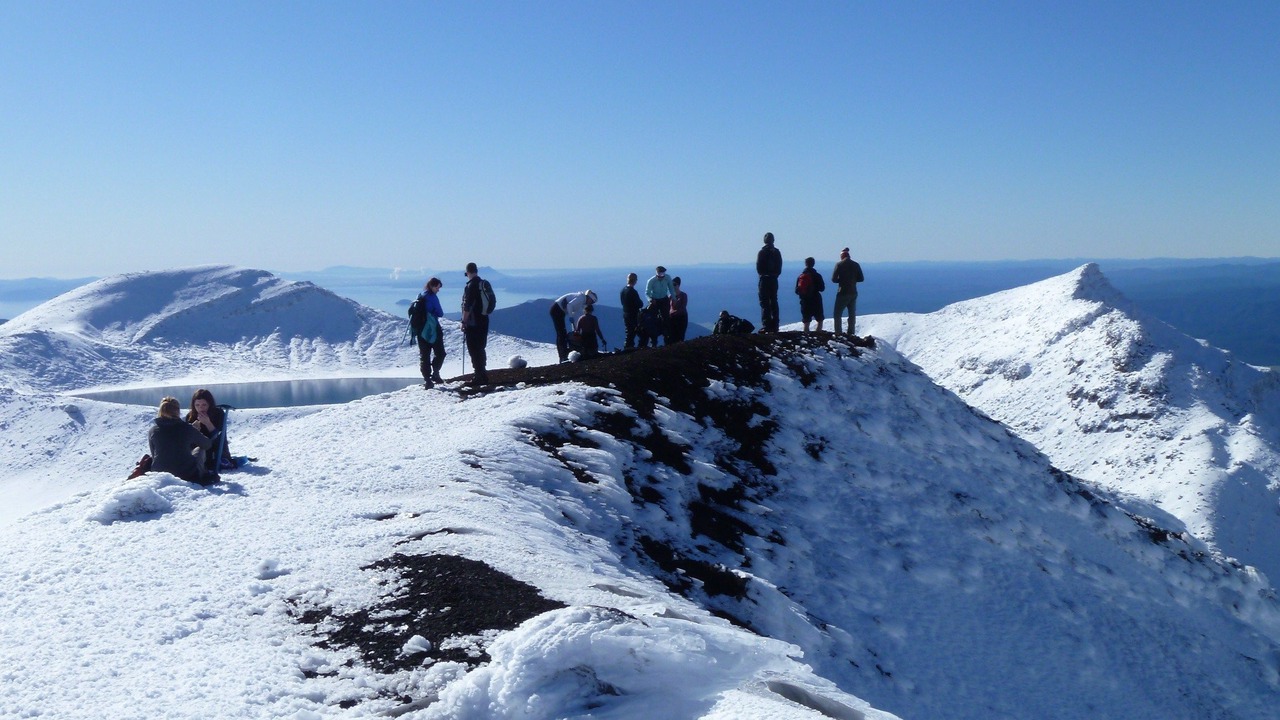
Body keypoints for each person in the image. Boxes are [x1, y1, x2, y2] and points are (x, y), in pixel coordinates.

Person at [151, 396, 214, 484]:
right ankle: (203, 473)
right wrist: (195, 430)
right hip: (186, 474)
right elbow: (207, 444)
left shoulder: (153, 430)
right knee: (200, 449)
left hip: (160, 475)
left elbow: (153, 454)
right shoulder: (187, 428)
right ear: (177, 411)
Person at [185, 388, 234, 471]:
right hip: (199, 452)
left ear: (209, 404)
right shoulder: (190, 416)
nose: (201, 408)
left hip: (217, 452)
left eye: (204, 405)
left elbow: (221, 440)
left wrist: (208, 424)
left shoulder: (218, 414)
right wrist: (192, 431)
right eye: (197, 405)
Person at [414, 278, 447, 387]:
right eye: (437, 287)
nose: (438, 290)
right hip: (433, 328)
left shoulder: (421, 295)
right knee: (440, 353)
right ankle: (436, 373)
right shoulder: (432, 297)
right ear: (432, 286)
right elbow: (440, 313)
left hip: (420, 330)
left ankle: (427, 379)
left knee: (424, 355)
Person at [461, 262, 490, 386]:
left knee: (473, 349)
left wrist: (464, 321)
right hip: (484, 320)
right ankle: (482, 373)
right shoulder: (482, 283)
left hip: (473, 323)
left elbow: (467, 306)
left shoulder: (471, 286)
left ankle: (478, 375)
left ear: (467, 272)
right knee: (480, 347)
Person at [550, 289, 598, 362]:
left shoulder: (581, 300)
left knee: (562, 333)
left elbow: (575, 314)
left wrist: (575, 329)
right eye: (592, 301)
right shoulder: (581, 298)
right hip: (557, 310)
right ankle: (562, 356)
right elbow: (569, 305)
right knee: (561, 334)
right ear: (589, 298)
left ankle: (563, 355)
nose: (591, 303)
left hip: (559, 310)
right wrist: (570, 316)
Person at [831, 247, 865, 335]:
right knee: (852, 314)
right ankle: (851, 333)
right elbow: (861, 279)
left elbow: (833, 279)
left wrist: (841, 280)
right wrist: (852, 280)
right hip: (853, 292)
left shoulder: (839, 264)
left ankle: (838, 333)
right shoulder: (856, 264)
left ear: (842, 256)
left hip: (842, 292)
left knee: (837, 314)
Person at [757, 232, 782, 332]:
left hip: (764, 280)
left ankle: (766, 325)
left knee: (764, 302)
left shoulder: (762, 252)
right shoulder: (776, 252)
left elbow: (758, 267)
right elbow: (779, 267)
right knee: (774, 301)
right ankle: (775, 324)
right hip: (774, 280)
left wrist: (763, 275)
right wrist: (775, 275)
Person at [795, 256, 826, 332]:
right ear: (813, 264)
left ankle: (806, 336)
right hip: (816, 299)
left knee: (806, 320)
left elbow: (796, 290)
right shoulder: (817, 276)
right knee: (819, 319)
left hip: (805, 300)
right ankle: (818, 335)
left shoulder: (800, 277)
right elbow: (822, 288)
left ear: (805, 264)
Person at [645, 266, 675, 344]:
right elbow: (647, 293)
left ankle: (667, 339)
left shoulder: (667, 278)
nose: (661, 276)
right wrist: (650, 300)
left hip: (664, 299)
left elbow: (671, 288)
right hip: (655, 301)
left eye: (663, 274)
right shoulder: (651, 281)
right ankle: (653, 341)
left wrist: (674, 299)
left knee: (666, 318)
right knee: (653, 320)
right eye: (660, 274)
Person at [619, 273, 643, 350]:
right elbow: (640, 304)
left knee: (629, 332)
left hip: (626, 313)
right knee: (637, 332)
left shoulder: (623, 290)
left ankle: (627, 347)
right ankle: (638, 347)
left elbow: (622, 302)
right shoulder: (633, 292)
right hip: (633, 315)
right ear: (635, 281)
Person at [668, 276, 689, 343]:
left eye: (674, 285)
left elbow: (683, 307)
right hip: (672, 319)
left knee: (680, 336)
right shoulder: (670, 296)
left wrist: (672, 313)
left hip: (681, 318)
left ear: (678, 285)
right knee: (671, 336)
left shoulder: (683, 295)